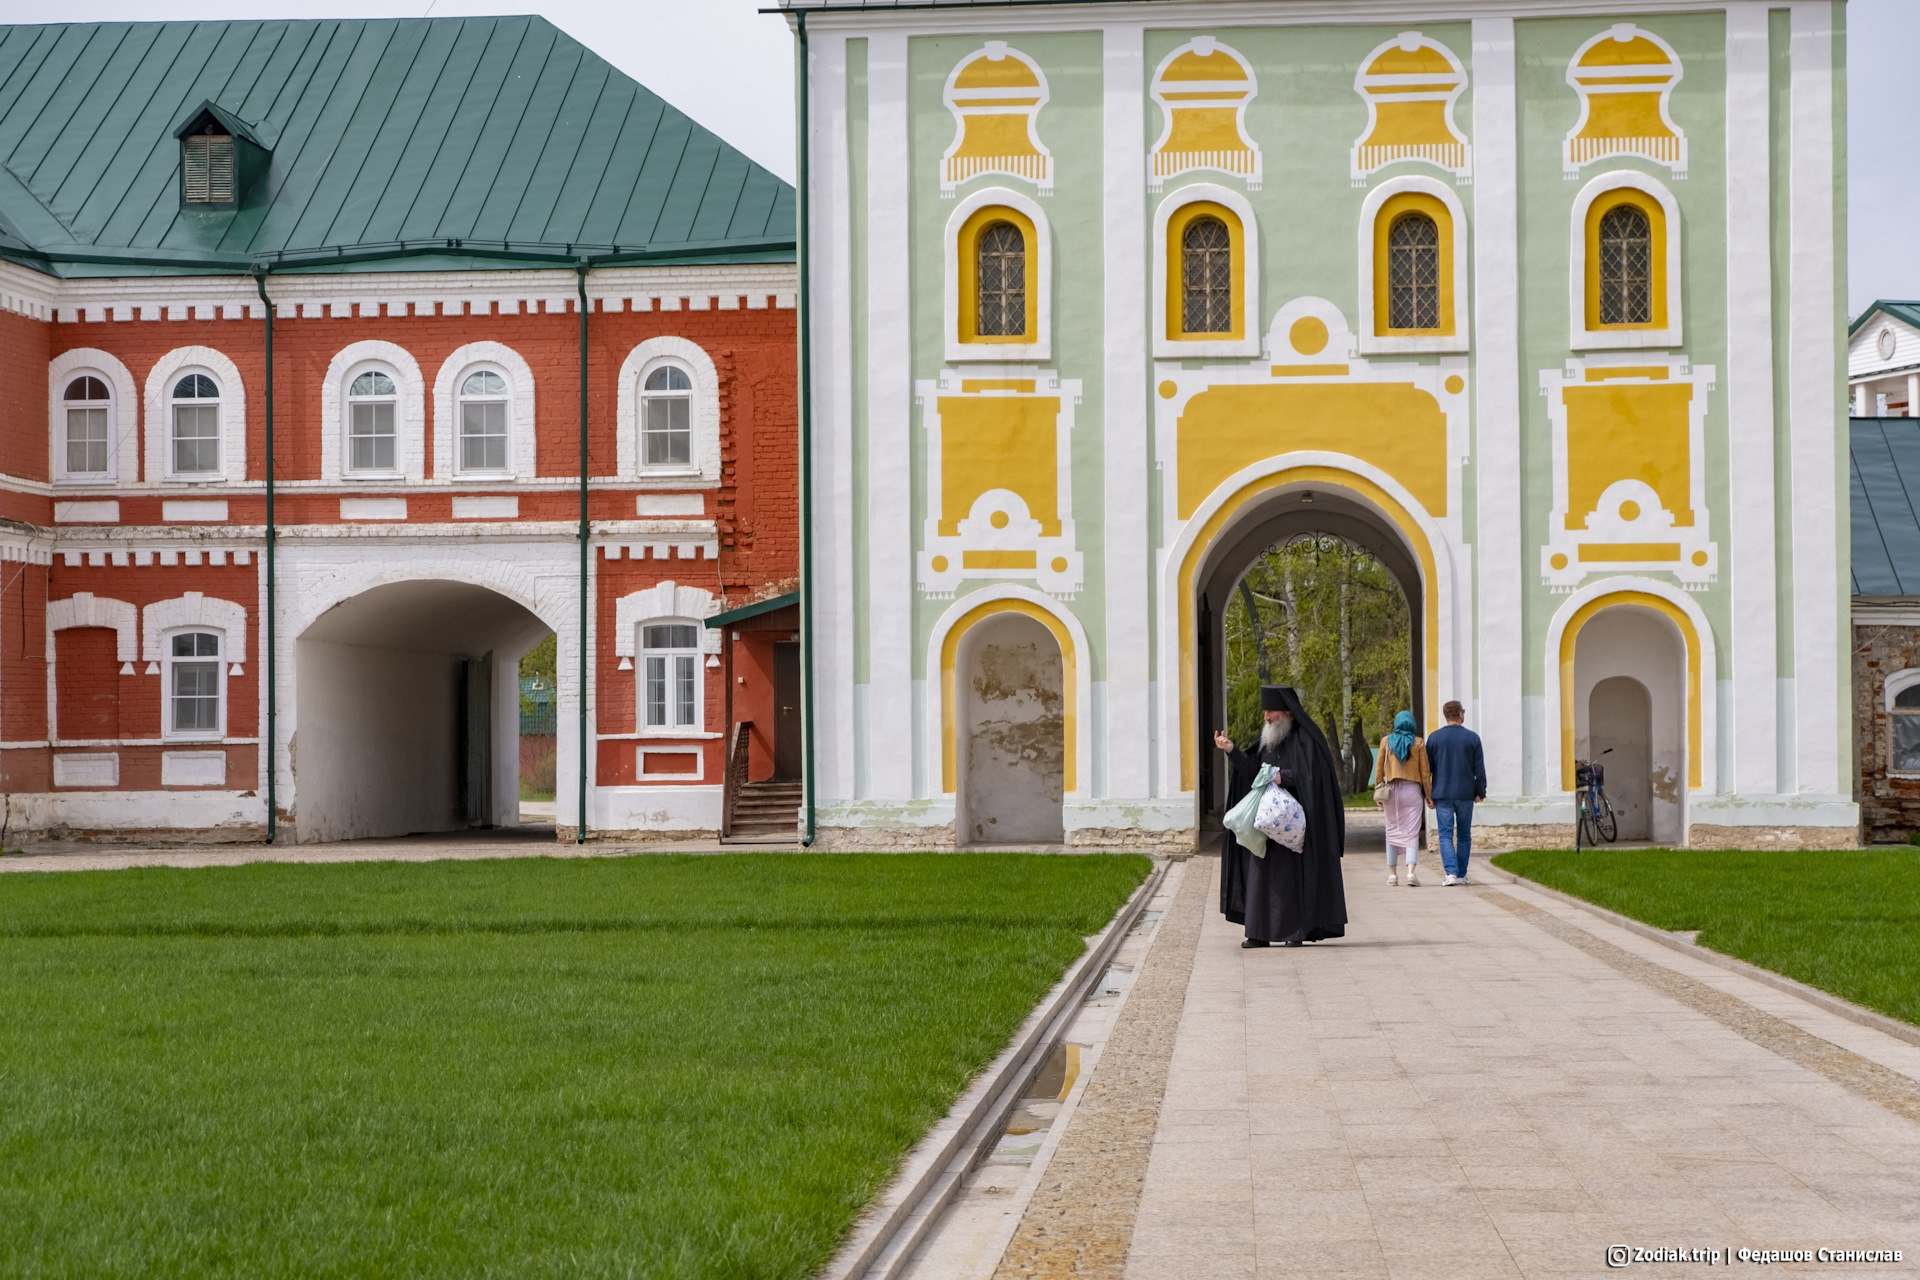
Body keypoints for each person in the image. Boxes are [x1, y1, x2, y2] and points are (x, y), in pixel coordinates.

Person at [1213, 685, 1348, 948]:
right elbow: (1253, 771)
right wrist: (1231, 750)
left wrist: (1281, 777)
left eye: (1270, 711)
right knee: (1259, 875)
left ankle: (1293, 933)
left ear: (1288, 712)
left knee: (1289, 878)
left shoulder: (1308, 739)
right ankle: (1258, 933)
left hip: (1295, 825)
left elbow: (1314, 777)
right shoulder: (1268, 740)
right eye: (1265, 712)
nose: (1266, 717)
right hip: (1267, 823)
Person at [1425, 700, 1487, 885]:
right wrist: (1481, 791)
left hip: (1442, 792)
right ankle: (1461, 874)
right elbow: (1479, 769)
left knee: (1445, 834)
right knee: (1464, 834)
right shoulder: (1472, 738)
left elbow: (1427, 769)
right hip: (1465, 792)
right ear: (1460, 714)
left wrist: (1427, 794)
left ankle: (1450, 873)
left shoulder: (1434, 738)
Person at [1371, 710, 1431, 886]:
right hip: (1412, 790)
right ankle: (1411, 873)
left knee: (1391, 830)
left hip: (1391, 791)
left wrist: (1377, 791)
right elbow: (1425, 773)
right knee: (1412, 832)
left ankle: (1393, 875)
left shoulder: (1386, 741)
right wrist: (1428, 794)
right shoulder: (1418, 742)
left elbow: (1380, 770)